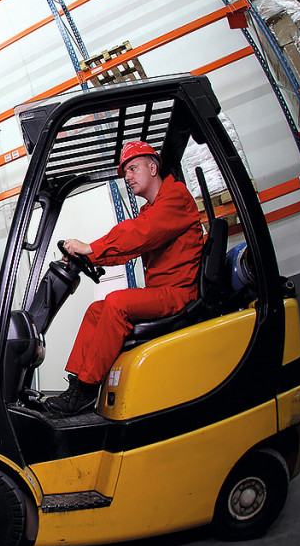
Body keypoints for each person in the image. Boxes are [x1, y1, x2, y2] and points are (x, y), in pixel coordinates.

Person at [45, 141, 205, 417]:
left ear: (152, 167)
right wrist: (88, 256)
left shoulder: (175, 198)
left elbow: (139, 234)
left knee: (117, 302)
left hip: (178, 292)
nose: (127, 177)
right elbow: (128, 249)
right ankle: (77, 385)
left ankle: (87, 388)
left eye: (132, 169)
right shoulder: (151, 209)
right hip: (161, 291)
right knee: (97, 310)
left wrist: (91, 248)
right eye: (125, 172)